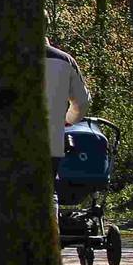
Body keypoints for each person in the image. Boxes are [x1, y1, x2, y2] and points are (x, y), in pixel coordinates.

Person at [46, 41, 93, 204]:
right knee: (47, 188)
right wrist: (68, 120)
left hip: (10, 136)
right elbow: (82, 102)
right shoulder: (64, 60)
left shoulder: (4, 55)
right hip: (51, 136)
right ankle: (51, 217)